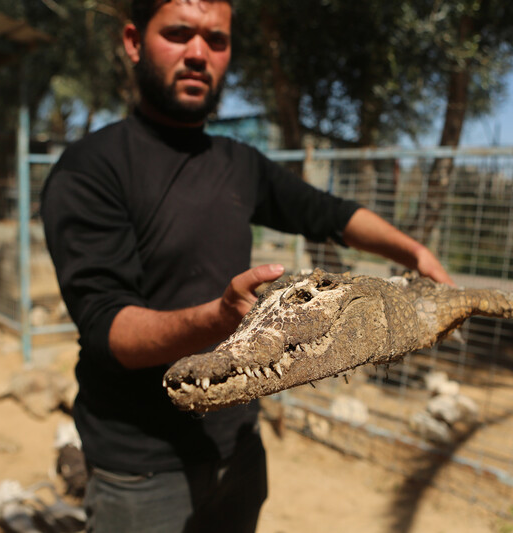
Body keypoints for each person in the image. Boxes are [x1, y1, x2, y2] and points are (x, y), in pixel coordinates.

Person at [40, 0, 454, 531]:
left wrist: (413, 252)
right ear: (133, 41)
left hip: (239, 449)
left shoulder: (238, 163)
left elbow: (327, 212)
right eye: (179, 33)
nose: (197, 53)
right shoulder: (90, 169)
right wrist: (220, 317)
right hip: (141, 473)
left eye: (215, 40)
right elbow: (107, 328)